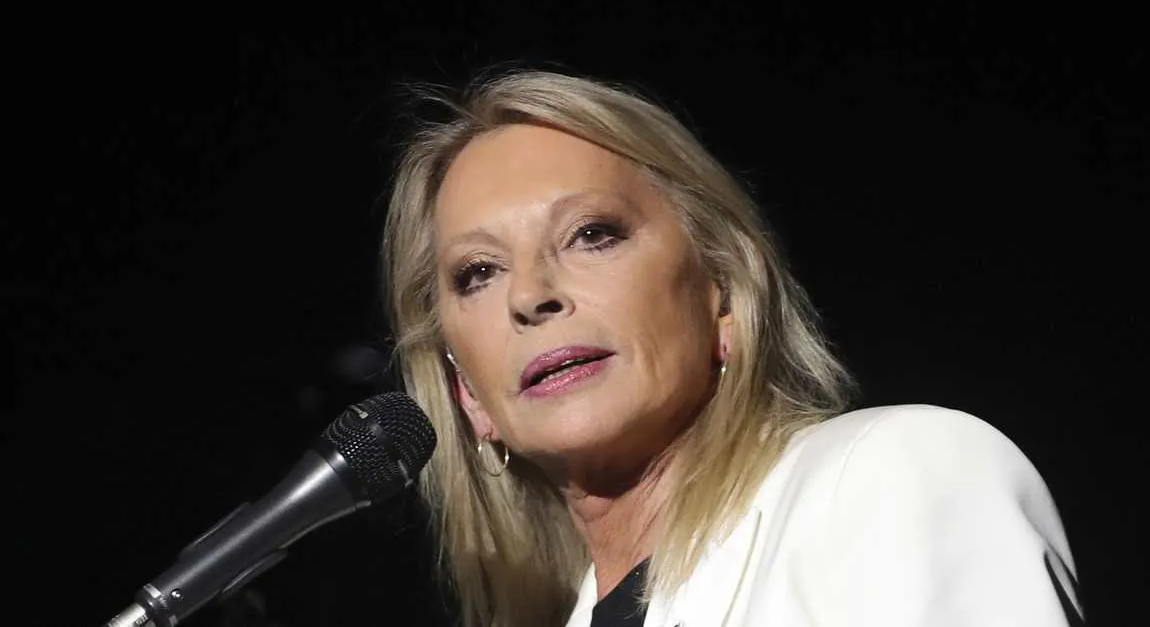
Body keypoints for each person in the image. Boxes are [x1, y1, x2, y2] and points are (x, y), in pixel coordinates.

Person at [380, 67, 1083, 627]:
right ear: (466, 390)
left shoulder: (894, 476)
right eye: (479, 272)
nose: (531, 295)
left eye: (593, 233)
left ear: (721, 289)